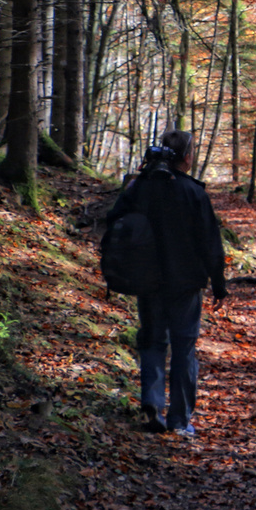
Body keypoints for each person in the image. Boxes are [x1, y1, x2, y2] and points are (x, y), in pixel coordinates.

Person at [107, 129, 228, 436]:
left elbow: (114, 221)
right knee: (184, 347)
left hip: (146, 279)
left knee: (152, 341)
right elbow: (210, 242)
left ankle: (152, 403)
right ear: (186, 157)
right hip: (185, 283)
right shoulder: (194, 193)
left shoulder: (140, 187)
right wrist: (218, 282)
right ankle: (180, 420)